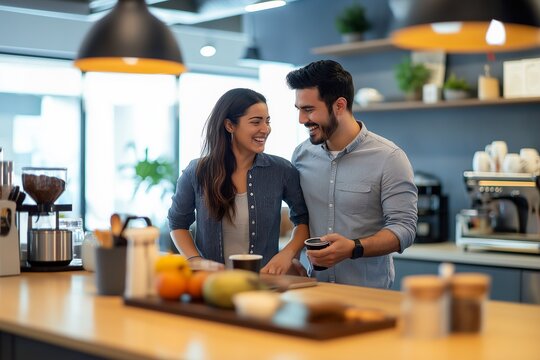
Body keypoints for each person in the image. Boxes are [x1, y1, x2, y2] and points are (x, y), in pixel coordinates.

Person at [286, 60, 418, 288]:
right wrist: (292, 256)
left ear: (339, 105)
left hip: (369, 295)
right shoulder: (301, 156)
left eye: (309, 110)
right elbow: (301, 219)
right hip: (314, 290)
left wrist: (354, 248)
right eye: (299, 109)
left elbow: (404, 229)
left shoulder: (389, 158)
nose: (302, 120)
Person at [168, 88, 309, 274]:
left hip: (264, 285)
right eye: (256, 122)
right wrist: (195, 260)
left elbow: (303, 220)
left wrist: (288, 253)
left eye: (267, 121)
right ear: (229, 125)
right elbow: (177, 223)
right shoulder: (197, 172)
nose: (265, 129)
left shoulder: (282, 170)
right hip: (210, 285)